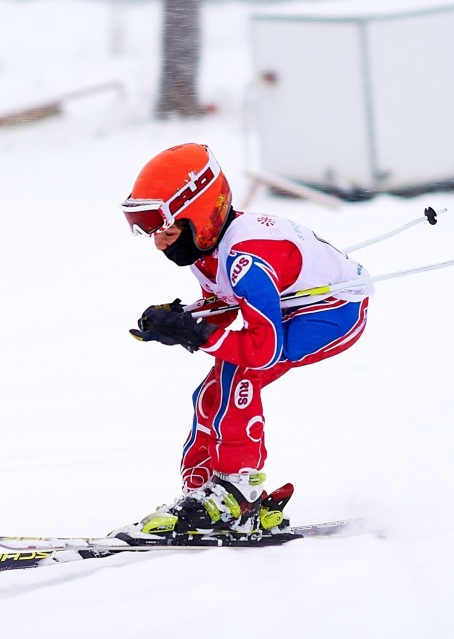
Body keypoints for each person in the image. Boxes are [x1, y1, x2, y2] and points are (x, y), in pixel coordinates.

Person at [118, 143, 374, 537]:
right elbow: (224, 303)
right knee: (209, 394)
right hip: (288, 306)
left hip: (333, 311)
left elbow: (262, 350)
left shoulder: (245, 259)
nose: (159, 243)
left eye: (166, 231)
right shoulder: (206, 250)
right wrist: (180, 320)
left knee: (240, 375)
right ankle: (203, 493)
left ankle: (237, 494)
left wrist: (197, 333)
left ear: (199, 218)